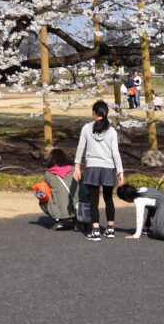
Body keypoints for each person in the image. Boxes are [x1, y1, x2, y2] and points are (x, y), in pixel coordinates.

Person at [73, 99, 125, 241]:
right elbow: (115, 153)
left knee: (94, 201)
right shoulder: (112, 131)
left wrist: (77, 166)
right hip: (108, 168)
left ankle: (95, 230)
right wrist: (120, 171)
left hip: (93, 167)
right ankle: (110, 229)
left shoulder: (86, 128)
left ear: (95, 113)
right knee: (108, 199)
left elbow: (80, 148)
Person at [40, 148, 77, 230]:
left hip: (59, 206)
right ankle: (77, 220)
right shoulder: (74, 170)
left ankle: (57, 220)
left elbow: (45, 187)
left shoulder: (49, 173)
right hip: (76, 205)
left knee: (44, 198)